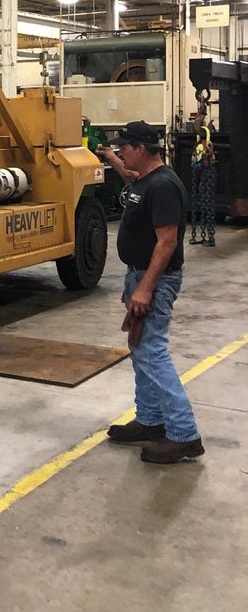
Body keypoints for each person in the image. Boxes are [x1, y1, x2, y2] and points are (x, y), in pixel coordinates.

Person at [96, 121, 204, 464]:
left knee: (152, 352)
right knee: (141, 349)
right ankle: (150, 419)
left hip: (155, 280)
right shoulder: (145, 179)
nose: (122, 151)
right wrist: (111, 159)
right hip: (139, 275)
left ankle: (185, 435)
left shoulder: (163, 186)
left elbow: (167, 242)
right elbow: (129, 177)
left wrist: (144, 288)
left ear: (141, 148)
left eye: (125, 147)